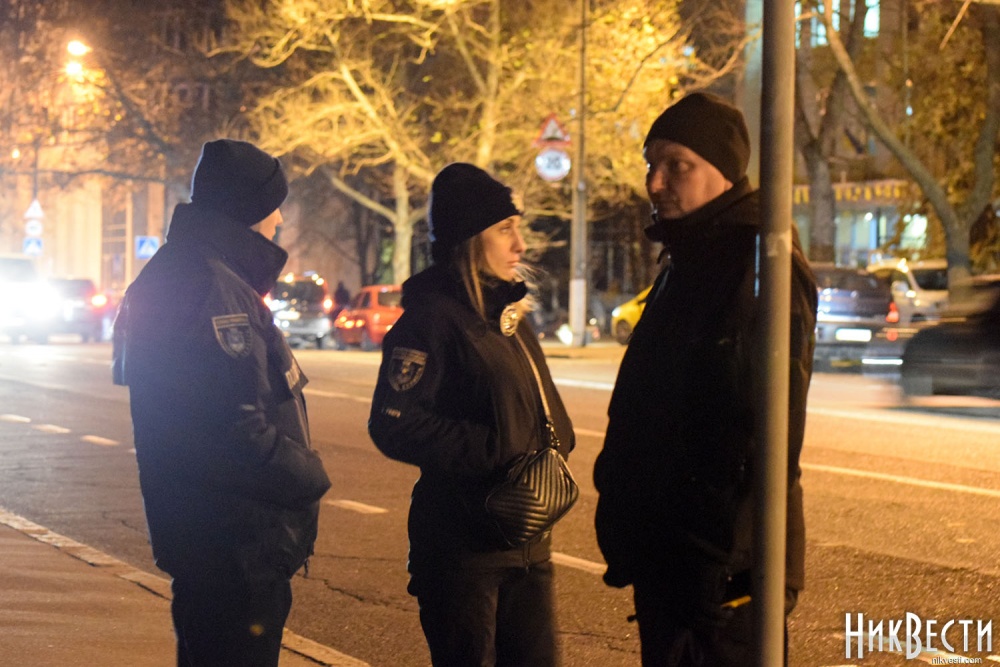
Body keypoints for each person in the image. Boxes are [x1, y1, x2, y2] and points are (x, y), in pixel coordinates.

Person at [593, 93, 818, 666]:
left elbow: (759, 429)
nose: (656, 182)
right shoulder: (694, 257)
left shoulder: (756, 264)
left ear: (725, 171)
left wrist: (713, 555)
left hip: (720, 571)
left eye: (677, 165)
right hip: (677, 556)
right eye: (651, 164)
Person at [112, 139, 331, 667]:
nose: (279, 219)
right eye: (273, 206)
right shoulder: (214, 286)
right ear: (248, 209)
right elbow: (232, 428)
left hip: (208, 534)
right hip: (235, 541)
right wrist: (307, 474)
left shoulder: (181, 271)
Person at [368, 162, 575, 667]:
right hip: (463, 550)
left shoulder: (507, 316)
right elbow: (395, 421)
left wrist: (555, 441)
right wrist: (494, 448)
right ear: (468, 240)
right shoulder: (430, 320)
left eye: (517, 227)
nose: (519, 244)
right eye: (504, 229)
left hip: (526, 540)